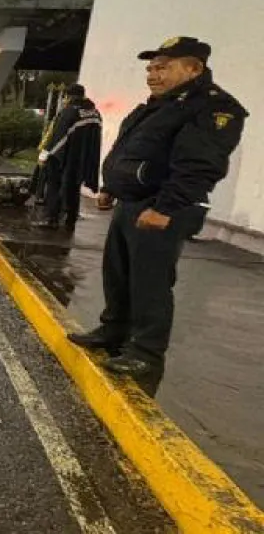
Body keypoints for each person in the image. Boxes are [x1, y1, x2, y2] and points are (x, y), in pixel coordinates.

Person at [68, 37, 247, 377]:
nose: (152, 75)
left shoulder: (212, 107)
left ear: (194, 68)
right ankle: (114, 330)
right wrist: (110, 188)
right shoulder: (159, 105)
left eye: (163, 67)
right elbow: (129, 150)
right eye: (150, 68)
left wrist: (166, 207)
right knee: (118, 273)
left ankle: (146, 351)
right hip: (133, 202)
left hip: (162, 206)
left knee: (150, 281)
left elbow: (200, 165)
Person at [34, 84, 102, 231]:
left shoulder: (69, 112)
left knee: (54, 185)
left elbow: (59, 137)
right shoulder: (94, 112)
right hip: (84, 159)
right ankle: (70, 219)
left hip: (64, 157)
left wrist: (47, 154)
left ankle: (51, 219)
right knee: (73, 188)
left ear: (68, 96)